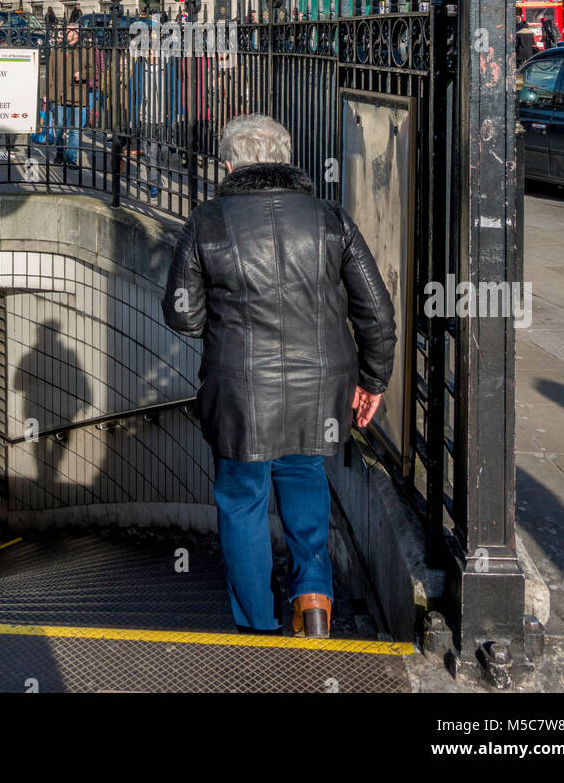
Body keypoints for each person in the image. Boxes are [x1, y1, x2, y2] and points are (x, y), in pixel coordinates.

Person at [162, 114, 395, 639]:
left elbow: (183, 314)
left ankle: (259, 628)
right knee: (305, 477)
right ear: (286, 159)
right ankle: (313, 599)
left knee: (243, 499)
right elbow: (375, 312)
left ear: (228, 164)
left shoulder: (208, 220)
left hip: (240, 393)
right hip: (320, 390)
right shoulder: (329, 218)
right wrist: (374, 381)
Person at [44, 13, 93, 165]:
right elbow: (49, 73)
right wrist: (46, 94)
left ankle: (72, 158)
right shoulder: (57, 50)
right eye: (65, 31)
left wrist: (82, 74)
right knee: (59, 128)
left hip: (79, 96)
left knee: (75, 130)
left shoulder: (86, 49)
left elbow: (93, 70)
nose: (66, 33)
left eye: (69, 30)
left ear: (77, 34)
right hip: (59, 95)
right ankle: (59, 152)